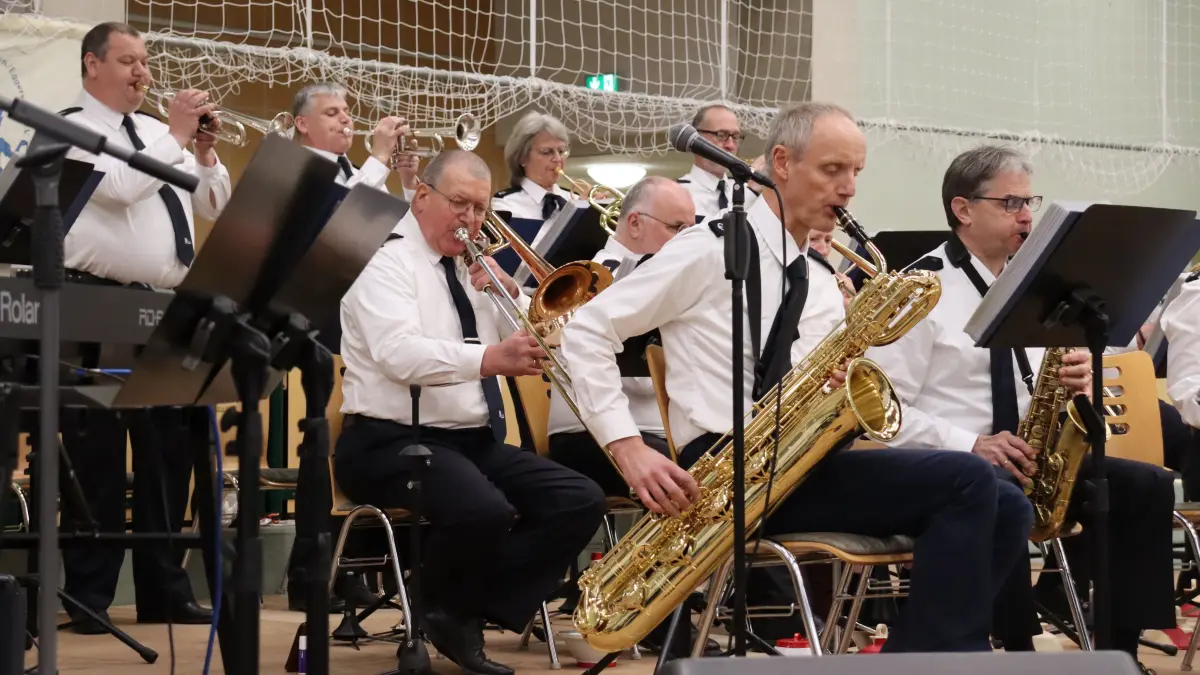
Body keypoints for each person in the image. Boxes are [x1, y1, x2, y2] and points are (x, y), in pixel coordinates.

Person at [560, 101, 1035, 653]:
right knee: (969, 481)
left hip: (800, 465)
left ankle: (924, 656)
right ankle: (932, 662)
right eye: (834, 170)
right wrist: (628, 448)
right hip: (724, 469)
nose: (850, 187)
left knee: (1008, 500)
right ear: (781, 163)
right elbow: (587, 330)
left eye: (856, 172)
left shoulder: (815, 276)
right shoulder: (709, 248)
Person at [865, 145, 1175, 668]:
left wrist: (1079, 381)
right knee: (997, 491)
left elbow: (1042, 384)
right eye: (1010, 203)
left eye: (1029, 200)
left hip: (1033, 457)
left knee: (1144, 486)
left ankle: (1119, 652)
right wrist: (972, 444)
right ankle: (1011, 648)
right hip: (959, 464)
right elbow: (883, 409)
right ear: (963, 209)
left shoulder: (1036, 286)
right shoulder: (920, 290)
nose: (1027, 214)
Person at [335, 149, 607, 675]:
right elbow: (399, 355)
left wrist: (515, 299)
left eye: (481, 209)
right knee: (484, 509)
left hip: (468, 441)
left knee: (579, 498)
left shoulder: (470, 269)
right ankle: (447, 610)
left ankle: (453, 607)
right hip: (388, 440)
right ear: (421, 196)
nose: (471, 221)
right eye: (459, 203)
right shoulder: (384, 262)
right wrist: (489, 358)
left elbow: (534, 344)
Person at [49, 20, 230, 632]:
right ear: (91, 65)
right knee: (94, 453)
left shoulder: (158, 132)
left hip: (162, 305)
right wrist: (176, 137)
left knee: (167, 453)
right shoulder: (70, 124)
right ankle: (89, 598)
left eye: (144, 61)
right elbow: (122, 188)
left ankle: (163, 589)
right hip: (91, 303)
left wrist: (202, 155)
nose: (141, 73)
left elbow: (212, 207)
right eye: (126, 60)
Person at [546, 176, 695, 496]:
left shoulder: (676, 275)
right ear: (635, 223)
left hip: (660, 430)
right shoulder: (590, 278)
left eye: (691, 230)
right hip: (588, 433)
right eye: (677, 228)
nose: (687, 240)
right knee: (695, 480)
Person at [291, 81, 419, 199]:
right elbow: (339, 211)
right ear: (303, 124)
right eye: (331, 113)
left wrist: (409, 183)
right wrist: (380, 156)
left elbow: (402, 224)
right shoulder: (293, 171)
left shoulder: (362, 174)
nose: (346, 119)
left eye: (347, 112)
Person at [491, 110, 574, 244]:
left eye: (561, 151)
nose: (558, 159)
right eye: (547, 152)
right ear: (523, 157)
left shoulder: (575, 200)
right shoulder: (506, 204)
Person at [676, 103, 759, 222]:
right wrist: (751, 193)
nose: (730, 145)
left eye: (735, 137)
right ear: (696, 139)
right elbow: (714, 234)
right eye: (721, 135)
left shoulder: (743, 188)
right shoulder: (678, 192)